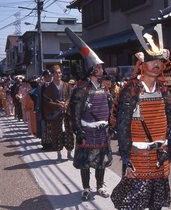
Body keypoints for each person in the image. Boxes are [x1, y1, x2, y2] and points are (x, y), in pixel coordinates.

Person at [110, 23, 171, 210]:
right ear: (142, 64)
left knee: (157, 203)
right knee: (135, 203)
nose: (156, 64)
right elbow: (123, 127)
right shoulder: (131, 90)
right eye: (151, 60)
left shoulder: (165, 89)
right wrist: (126, 158)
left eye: (159, 60)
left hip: (160, 155)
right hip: (138, 157)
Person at [65, 27, 113, 201]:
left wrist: (111, 127)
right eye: (99, 67)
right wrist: (79, 132)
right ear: (93, 70)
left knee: (101, 160)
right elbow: (74, 114)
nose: (102, 69)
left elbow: (110, 110)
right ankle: (86, 188)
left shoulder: (104, 89)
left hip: (102, 131)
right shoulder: (80, 90)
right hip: (87, 131)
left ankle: (100, 185)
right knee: (86, 162)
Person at [42, 64, 74, 162]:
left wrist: (66, 103)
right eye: (56, 73)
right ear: (52, 74)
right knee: (57, 133)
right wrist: (58, 105)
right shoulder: (49, 88)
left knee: (69, 132)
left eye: (59, 72)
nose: (58, 75)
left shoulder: (66, 85)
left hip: (66, 113)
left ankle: (69, 153)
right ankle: (59, 154)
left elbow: (70, 96)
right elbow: (47, 101)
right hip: (56, 114)